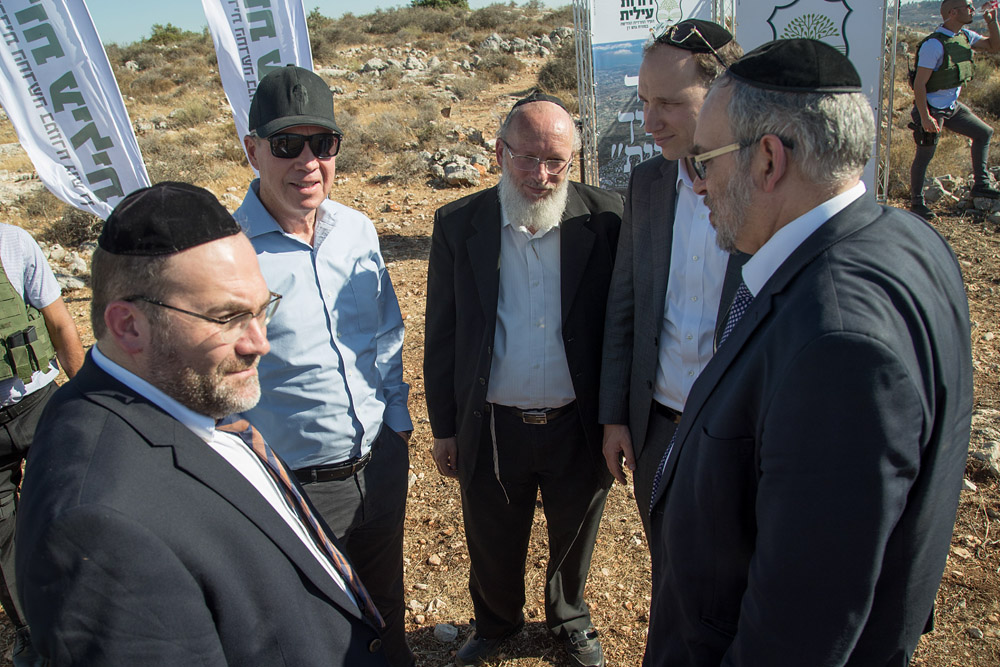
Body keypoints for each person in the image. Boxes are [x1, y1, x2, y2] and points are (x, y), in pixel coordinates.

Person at [644, 39, 975, 665]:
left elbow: (799, 629)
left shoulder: (838, 347)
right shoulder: (909, 238)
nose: (699, 184)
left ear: (769, 159)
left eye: (705, 160)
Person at [15, 182, 389, 665]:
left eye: (262, 309)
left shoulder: (185, 395)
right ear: (129, 326)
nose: (259, 343)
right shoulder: (99, 527)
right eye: (227, 318)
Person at [424, 92, 623, 667]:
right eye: (527, 158)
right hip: (492, 423)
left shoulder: (606, 220)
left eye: (556, 161)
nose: (541, 175)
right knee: (491, 533)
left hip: (577, 420)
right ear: (499, 152)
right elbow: (443, 333)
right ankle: (496, 622)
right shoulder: (459, 225)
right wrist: (444, 427)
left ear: (573, 159)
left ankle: (569, 618)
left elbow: (623, 326)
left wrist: (617, 416)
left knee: (575, 531)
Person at [235, 65, 414, 667]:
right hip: (293, 487)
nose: (308, 161)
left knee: (386, 607)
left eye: (323, 143)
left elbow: (385, 333)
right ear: (252, 150)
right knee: (310, 630)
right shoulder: (228, 255)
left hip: (379, 464)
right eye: (287, 144)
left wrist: (397, 425)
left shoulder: (357, 230)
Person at [599, 19, 745, 536]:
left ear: (725, 95)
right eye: (644, 101)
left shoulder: (763, 191)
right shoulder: (647, 183)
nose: (649, 121)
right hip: (657, 429)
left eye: (669, 103)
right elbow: (625, 304)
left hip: (738, 433)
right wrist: (615, 416)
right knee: (667, 564)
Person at [0, 222, 84, 665]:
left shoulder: (13, 242)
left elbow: (59, 322)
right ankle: (30, 631)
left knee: (73, 503)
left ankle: (91, 603)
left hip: (37, 403)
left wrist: (89, 394)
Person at [910, 0, 1000, 220]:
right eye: (967, 6)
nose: (972, 9)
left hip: (951, 107)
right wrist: (925, 117)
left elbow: (994, 46)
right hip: (932, 108)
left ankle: (981, 185)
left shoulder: (965, 36)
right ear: (952, 12)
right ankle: (917, 203)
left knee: (984, 133)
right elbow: (919, 84)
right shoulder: (934, 45)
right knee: (925, 154)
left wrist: (992, 22)